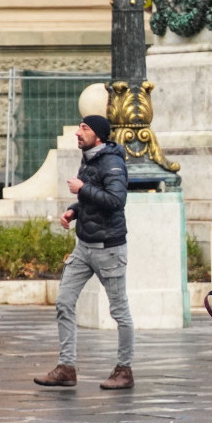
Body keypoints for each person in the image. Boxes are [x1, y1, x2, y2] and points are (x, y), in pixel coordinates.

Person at [34, 115, 135, 390]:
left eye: (85, 128)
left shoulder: (113, 162)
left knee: (120, 312)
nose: (78, 132)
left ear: (98, 136)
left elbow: (116, 201)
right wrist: (74, 210)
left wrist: (83, 189)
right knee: (64, 302)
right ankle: (66, 368)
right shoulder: (89, 159)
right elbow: (91, 200)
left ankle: (124, 370)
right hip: (83, 247)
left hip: (109, 249)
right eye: (80, 127)